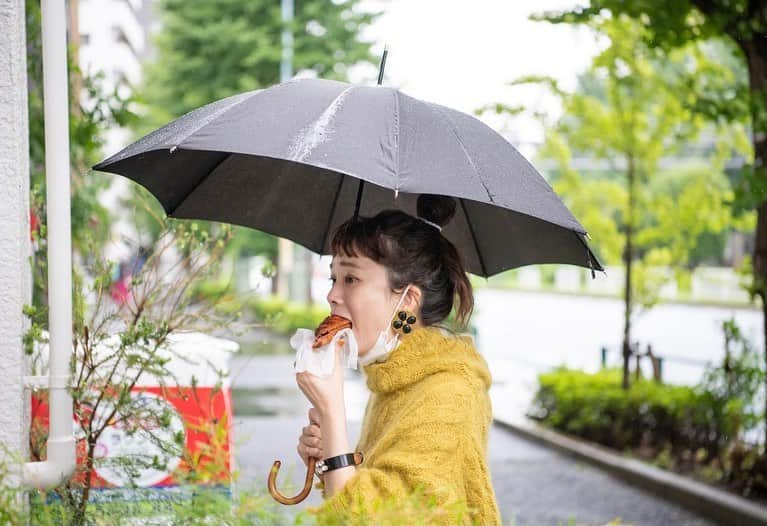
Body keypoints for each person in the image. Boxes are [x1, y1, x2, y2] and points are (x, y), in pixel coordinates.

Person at [295, 194, 501, 525]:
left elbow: (369, 520)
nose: (332, 295)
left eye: (351, 279)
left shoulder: (449, 396)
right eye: (334, 278)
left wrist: (333, 414)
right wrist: (329, 455)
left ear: (407, 301)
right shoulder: (393, 381)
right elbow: (370, 493)